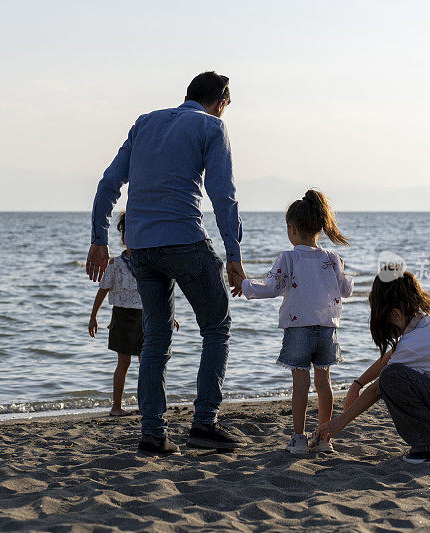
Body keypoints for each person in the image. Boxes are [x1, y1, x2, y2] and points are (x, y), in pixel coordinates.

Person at [86, 72, 246, 454]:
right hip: (185, 241)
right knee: (217, 326)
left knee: (156, 337)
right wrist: (234, 256)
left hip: (140, 247)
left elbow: (108, 183)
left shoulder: (145, 122)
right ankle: (204, 423)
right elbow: (224, 197)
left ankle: (153, 434)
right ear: (221, 100)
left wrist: (99, 239)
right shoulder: (211, 127)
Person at [318, 269, 430, 464]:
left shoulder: (416, 340)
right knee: (393, 373)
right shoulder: (427, 323)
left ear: (395, 314)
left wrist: (340, 422)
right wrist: (358, 384)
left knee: (391, 378)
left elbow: (380, 387)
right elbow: (393, 354)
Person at [230, 189, 352, 454]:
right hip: (327, 330)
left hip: (299, 330)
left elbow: (271, 287)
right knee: (324, 383)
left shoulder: (289, 257)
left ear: (292, 228)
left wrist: (244, 284)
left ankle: (299, 438)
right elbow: (345, 290)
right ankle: (324, 438)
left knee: (301, 385)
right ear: (320, 227)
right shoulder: (332, 258)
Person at [88, 213, 179, 416]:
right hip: (122, 317)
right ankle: (116, 407)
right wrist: (93, 316)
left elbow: (160, 293)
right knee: (124, 363)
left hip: (148, 316)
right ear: (123, 240)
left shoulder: (150, 263)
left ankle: (147, 405)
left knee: (147, 362)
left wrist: (170, 315)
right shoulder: (115, 264)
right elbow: (102, 290)